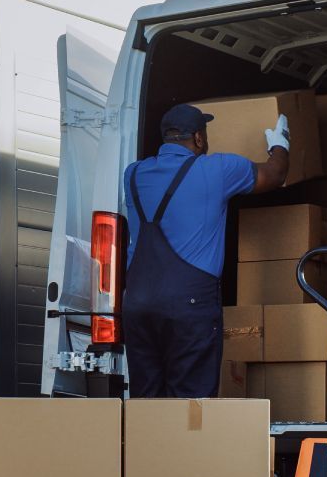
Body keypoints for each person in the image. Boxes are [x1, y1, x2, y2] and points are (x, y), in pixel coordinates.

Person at [123, 103, 290, 398]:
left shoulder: (133, 174)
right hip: (189, 304)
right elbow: (275, 175)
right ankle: (186, 446)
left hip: (138, 303)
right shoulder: (218, 170)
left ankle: (147, 445)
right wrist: (280, 144)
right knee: (191, 404)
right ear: (199, 138)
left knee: (145, 402)